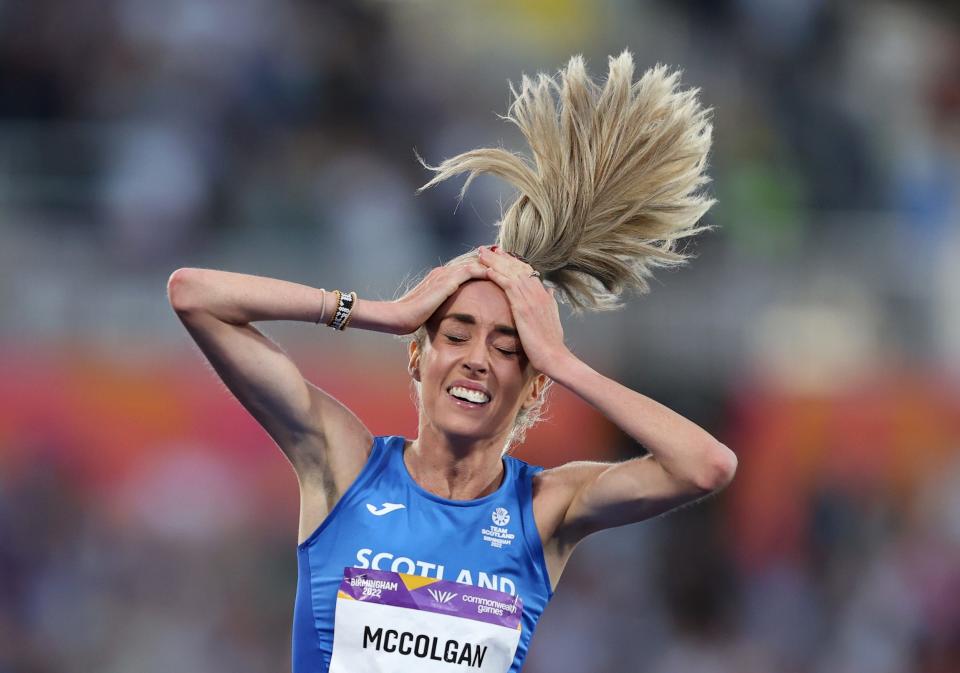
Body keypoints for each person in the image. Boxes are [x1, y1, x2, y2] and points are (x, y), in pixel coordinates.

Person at [167, 50, 737, 673]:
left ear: (532, 388)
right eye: (457, 335)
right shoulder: (344, 465)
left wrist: (565, 361)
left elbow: (706, 466)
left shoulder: (544, 510)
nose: (476, 361)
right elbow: (195, 296)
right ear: (419, 356)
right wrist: (381, 312)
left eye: (506, 347)